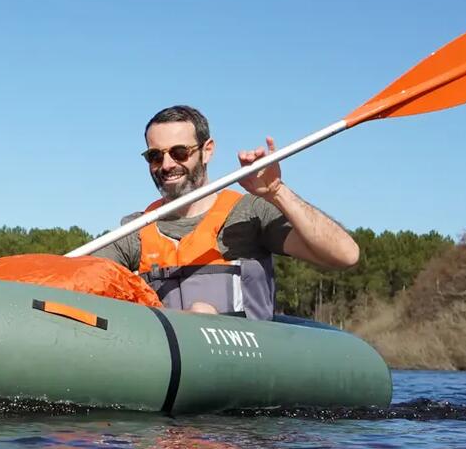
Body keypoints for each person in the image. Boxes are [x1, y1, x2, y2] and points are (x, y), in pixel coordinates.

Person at [89, 105, 359, 319]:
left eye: (179, 152)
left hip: (243, 364)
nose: (167, 165)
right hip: (170, 364)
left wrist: (277, 191)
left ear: (207, 151)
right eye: (155, 156)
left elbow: (345, 254)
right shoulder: (135, 230)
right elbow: (82, 276)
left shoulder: (249, 213)